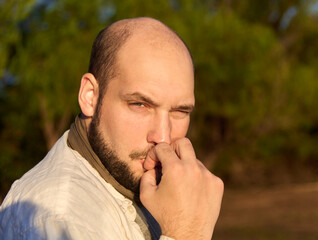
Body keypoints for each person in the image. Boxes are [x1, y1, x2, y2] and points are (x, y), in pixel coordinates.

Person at [0, 17, 224, 240]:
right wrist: (186, 234)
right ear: (90, 97)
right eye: (140, 104)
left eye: (180, 112)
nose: (163, 137)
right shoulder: (61, 221)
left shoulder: (148, 188)